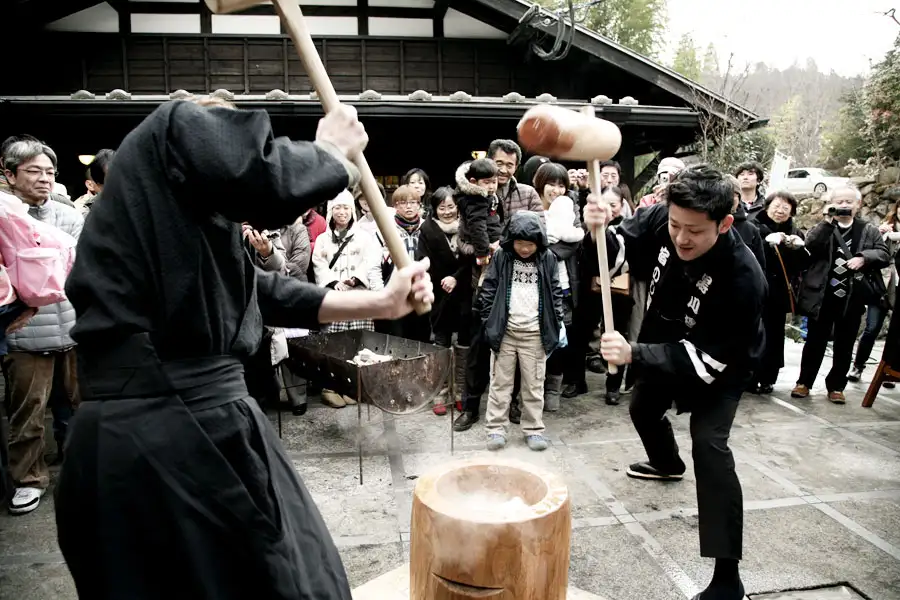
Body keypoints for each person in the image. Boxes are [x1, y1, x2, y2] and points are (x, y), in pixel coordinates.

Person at [56, 98, 434, 600]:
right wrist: (331, 153)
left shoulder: (183, 227)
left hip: (156, 430)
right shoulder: (175, 126)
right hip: (174, 428)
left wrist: (383, 303)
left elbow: (262, 290)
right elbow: (261, 178)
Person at [585, 165, 767, 600]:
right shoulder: (662, 218)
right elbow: (614, 259)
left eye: (695, 231)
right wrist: (600, 230)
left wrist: (634, 353)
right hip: (666, 334)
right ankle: (667, 463)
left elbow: (706, 363)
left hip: (721, 362)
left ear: (725, 223)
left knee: (710, 446)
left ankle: (728, 576)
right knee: (642, 409)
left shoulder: (744, 278)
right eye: (675, 226)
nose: (682, 238)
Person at [792, 186, 889, 403]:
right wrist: (827, 221)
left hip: (852, 297)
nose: (844, 205)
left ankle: (836, 386)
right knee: (814, 342)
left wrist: (864, 257)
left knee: (844, 345)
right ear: (831, 203)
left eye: (849, 201)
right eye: (839, 201)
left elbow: (884, 253)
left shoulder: (868, 230)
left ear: (858, 204)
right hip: (822, 295)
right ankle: (804, 383)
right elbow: (809, 246)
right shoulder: (824, 227)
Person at [478, 211, 564, 452]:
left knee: (534, 385)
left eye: (530, 244)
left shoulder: (547, 258)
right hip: (505, 333)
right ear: (510, 240)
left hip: (534, 334)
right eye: (520, 243)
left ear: (539, 242)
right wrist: (489, 321)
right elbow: (489, 287)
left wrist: (556, 320)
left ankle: (534, 430)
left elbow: (556, 292)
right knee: (500, 384)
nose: (525, 249)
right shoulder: (502, 257)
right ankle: (495, 428)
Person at [752, 191, 808, 394]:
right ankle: (749, 376)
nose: (780, 210)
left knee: (774, 336)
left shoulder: (795, 232)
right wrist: (767, 241)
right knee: (753, 333)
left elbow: (803, 265)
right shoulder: (754, 226)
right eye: (777, 205)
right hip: (755, 289)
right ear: (767, 206)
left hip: (779, 294)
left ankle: (768, 377)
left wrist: (798, 248)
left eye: (786, 207)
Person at [848, 197, 900, 385]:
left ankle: (892, 371)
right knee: (872, 328)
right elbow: (876, 254)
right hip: (883, 287)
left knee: (896, 334)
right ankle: (858, 366)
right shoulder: (884, 229)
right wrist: (883, 235)